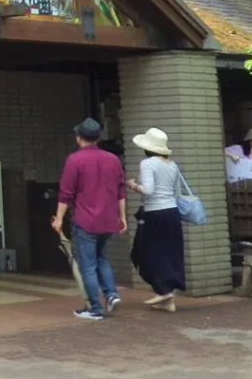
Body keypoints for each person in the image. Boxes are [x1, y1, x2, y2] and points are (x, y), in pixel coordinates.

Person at [54, 117, 127, 321]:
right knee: (101, 258)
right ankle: (111, 294)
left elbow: (65, 193)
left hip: (85, 220)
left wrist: (59, 218)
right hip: (109, 219)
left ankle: (94, 308)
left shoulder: (75, 160)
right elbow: (120, 190)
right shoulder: (112, 159)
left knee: (88, 264)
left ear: (79, 138)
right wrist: (122, 216)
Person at [127, 127, 187, 311]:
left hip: (154, 213)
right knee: (170, 252)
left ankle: (163, 291)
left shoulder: (148, 164)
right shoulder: (173, 165)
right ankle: (169, 300)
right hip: (172, 212)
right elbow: (177, 192)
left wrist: (133, 185)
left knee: (150, 252)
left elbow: (149, 190)